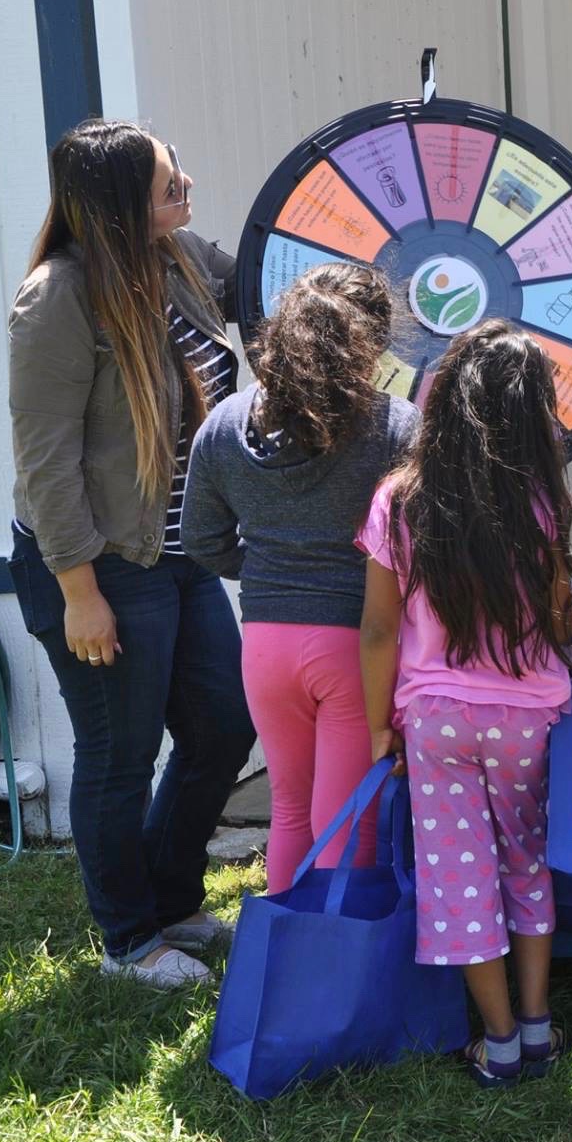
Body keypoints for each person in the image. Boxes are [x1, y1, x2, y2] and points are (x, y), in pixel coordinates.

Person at [7, 119, 258, 988]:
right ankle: (128, 940)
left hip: (181, 553)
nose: (184, 184)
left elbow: (269, 280)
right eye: (165, 179)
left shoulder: (180, 259)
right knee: (119, 756)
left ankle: (173, 902)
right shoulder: (58, 298)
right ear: (118, 202)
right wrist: (78, 590)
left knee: (225, 724)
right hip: (100, 562)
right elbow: (45, 459)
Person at [357, 322, 572, 1088]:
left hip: (435, 720)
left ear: (443, 397)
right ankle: (540, 1021)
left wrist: (377, 723)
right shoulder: (542, 501)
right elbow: (555, 616)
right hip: (529, 717)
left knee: (460, 879)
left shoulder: (400, 499)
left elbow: (381, 628)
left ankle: (499, 1039)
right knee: (526, 864)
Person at [182, 264, 418, 893]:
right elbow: (417, 545)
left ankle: (286, 953)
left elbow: (200, 540)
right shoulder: (395, 426)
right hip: (354, 645)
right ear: (366, 343)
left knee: (288, 810)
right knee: (347, 820)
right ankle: (341, 974)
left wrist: (262, 568)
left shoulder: (225, 425)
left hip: (263, 643)